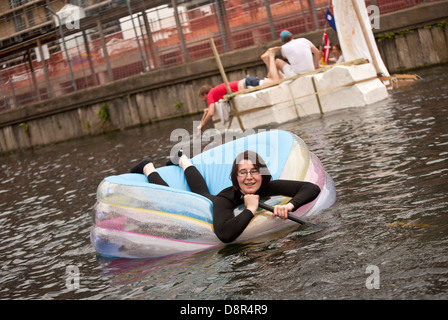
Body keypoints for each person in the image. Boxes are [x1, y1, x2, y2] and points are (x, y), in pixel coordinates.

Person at [130, 150, 321, 243]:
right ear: (235, 177)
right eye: (242, 173)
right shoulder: (225, 198)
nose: (249, 178)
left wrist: (290, 206)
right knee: (184, 196)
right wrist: (250, 210)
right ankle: (148, 167)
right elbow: (224, 234)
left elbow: (311, 188)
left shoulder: (267, 186)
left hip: (211, 197)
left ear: (262, 174)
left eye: (254, 171)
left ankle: (182, 159)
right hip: (208, 205)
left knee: (202, 191)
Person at [197, 48, 283, 134]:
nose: (203, 99)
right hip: (247, 82)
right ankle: (268, 60)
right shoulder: (214, 91)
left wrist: (201, 125)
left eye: (202, 97)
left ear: (204, 94)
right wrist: (208, 109)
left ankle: (270, 57)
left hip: (247, 84)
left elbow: (211, 113)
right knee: (276, 80)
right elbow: (212, 107)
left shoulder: (210, 95)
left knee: (275, 82)